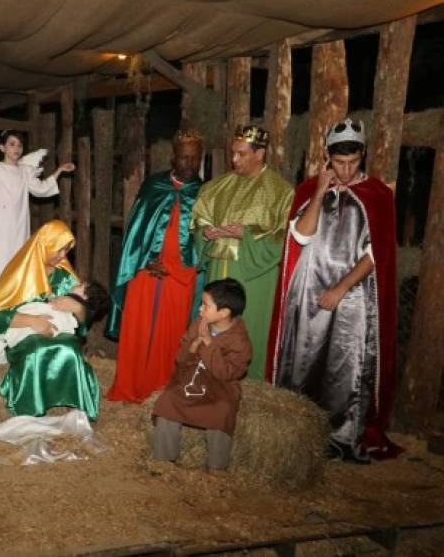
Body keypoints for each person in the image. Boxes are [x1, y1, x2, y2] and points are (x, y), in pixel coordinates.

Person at [268, 119, 399, 462]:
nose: (345, 169)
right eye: (339, 162)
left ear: (363, 155)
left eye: (353, 162)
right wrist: (319, 193)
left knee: (346, 365)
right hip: (309, 289)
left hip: (352, 294)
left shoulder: (378, 195)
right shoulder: (309, 188)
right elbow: (301, 236)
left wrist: (341, 289)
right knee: (303, 359)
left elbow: (376, 255)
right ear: (327, 156)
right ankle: (300, 432)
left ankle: (340, 438)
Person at [107, 130, 205, 403]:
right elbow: (135, 232)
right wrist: (144, 260)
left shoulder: (205, 192)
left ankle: (161, 391)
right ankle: (130, 387)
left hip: (181, 278)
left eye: (195, 159)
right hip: (145, 273)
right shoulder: (153, 185)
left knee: (171, 336)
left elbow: (204, 242)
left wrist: (184, 269)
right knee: (138, 330)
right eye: (184, 158)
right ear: (174, 157)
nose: (189, 164)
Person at [192, 125, 293, 380]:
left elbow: (286, 239)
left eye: (242, 154)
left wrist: (245, 234)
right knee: (213, 322)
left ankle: (251, 383)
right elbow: (199, 221)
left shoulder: (281, 192)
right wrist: (206, 234)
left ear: (260, 154)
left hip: (254, 275)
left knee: (251, 326)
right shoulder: (217, 187)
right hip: (219, 268)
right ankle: (209, 375)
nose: (234, 159)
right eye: (233, 153)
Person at [0, 220, 100, 420]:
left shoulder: (65, 277)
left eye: (66, 250)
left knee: (70, 350)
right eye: (58, 250)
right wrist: (31, 320)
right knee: (37, 350)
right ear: (43, 246)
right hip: (25, 332)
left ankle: (78, 408)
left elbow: (81, 327)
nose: (63, 256)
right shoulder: (19, 274)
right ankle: (32, 409)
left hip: (60, 332)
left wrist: (79, 309)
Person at [152, 279, 251, 471]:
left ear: (223, 312)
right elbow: (181, 359)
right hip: (192, 377)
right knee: (169, 400)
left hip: (220, 387)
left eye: (205, 305)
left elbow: (226, 373)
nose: (200, 309)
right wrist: (194, 345)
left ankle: (216, 468)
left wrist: (208, 344)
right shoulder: (199, 323)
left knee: (222, 410)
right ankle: (163, 461)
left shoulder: (240, 340)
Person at [0, 130, 75, 304]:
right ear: (2, 148)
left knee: (16, 263)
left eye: (19, 145)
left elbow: (40, 189)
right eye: (11, 144)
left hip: (18, 228)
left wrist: (59, 171)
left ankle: (13, 309)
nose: (16, 148)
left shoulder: (25, 171)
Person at [0, 280, 110, 365]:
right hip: (46, 320)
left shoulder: (74, 300)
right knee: (20, 328)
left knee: (17, 330)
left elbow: (61, 309)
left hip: (52, 318)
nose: (76, 284)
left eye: (80, 286)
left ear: (85, 296)